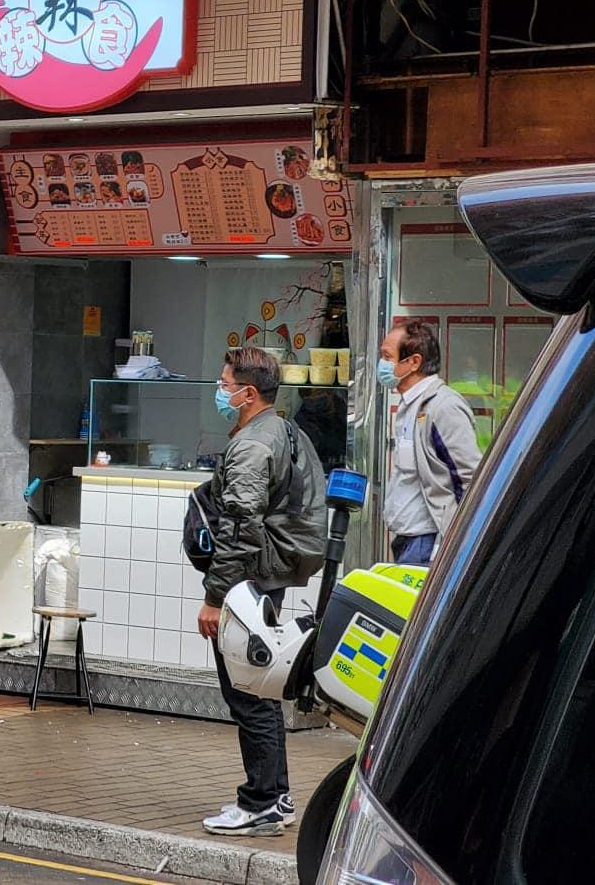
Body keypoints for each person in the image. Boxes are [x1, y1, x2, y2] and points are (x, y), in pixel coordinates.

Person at [196, 346, 327, 838]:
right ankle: (275, 795)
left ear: (248, 393)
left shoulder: (253, 445)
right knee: (259, 688)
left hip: (251, 580)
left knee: (248, 691)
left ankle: (262, 802)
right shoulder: (285, 429)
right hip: (269, 574)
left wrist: (215, 596)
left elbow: (239, 527)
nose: (220, 391)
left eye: (224, 384)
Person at [378, 321, 482, 566]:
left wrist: (457, 542)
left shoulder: (443, 407)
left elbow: (469, 478)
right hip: (408, 540)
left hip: (429, 542)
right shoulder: (410, 405)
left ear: (413, 362)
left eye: (387, 356)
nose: (382, 364)